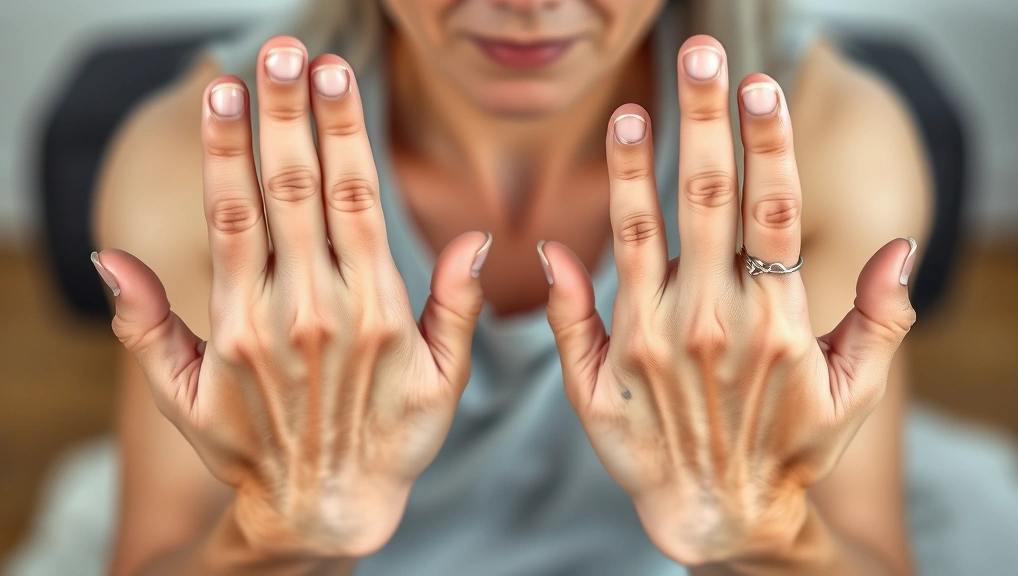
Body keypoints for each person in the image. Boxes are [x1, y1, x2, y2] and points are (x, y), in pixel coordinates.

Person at [83, 0, 935, 574]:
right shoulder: (187, 160)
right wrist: (273, 531)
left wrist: (766, 526)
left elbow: (869, 552)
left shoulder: (829, 139)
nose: (529, 4)